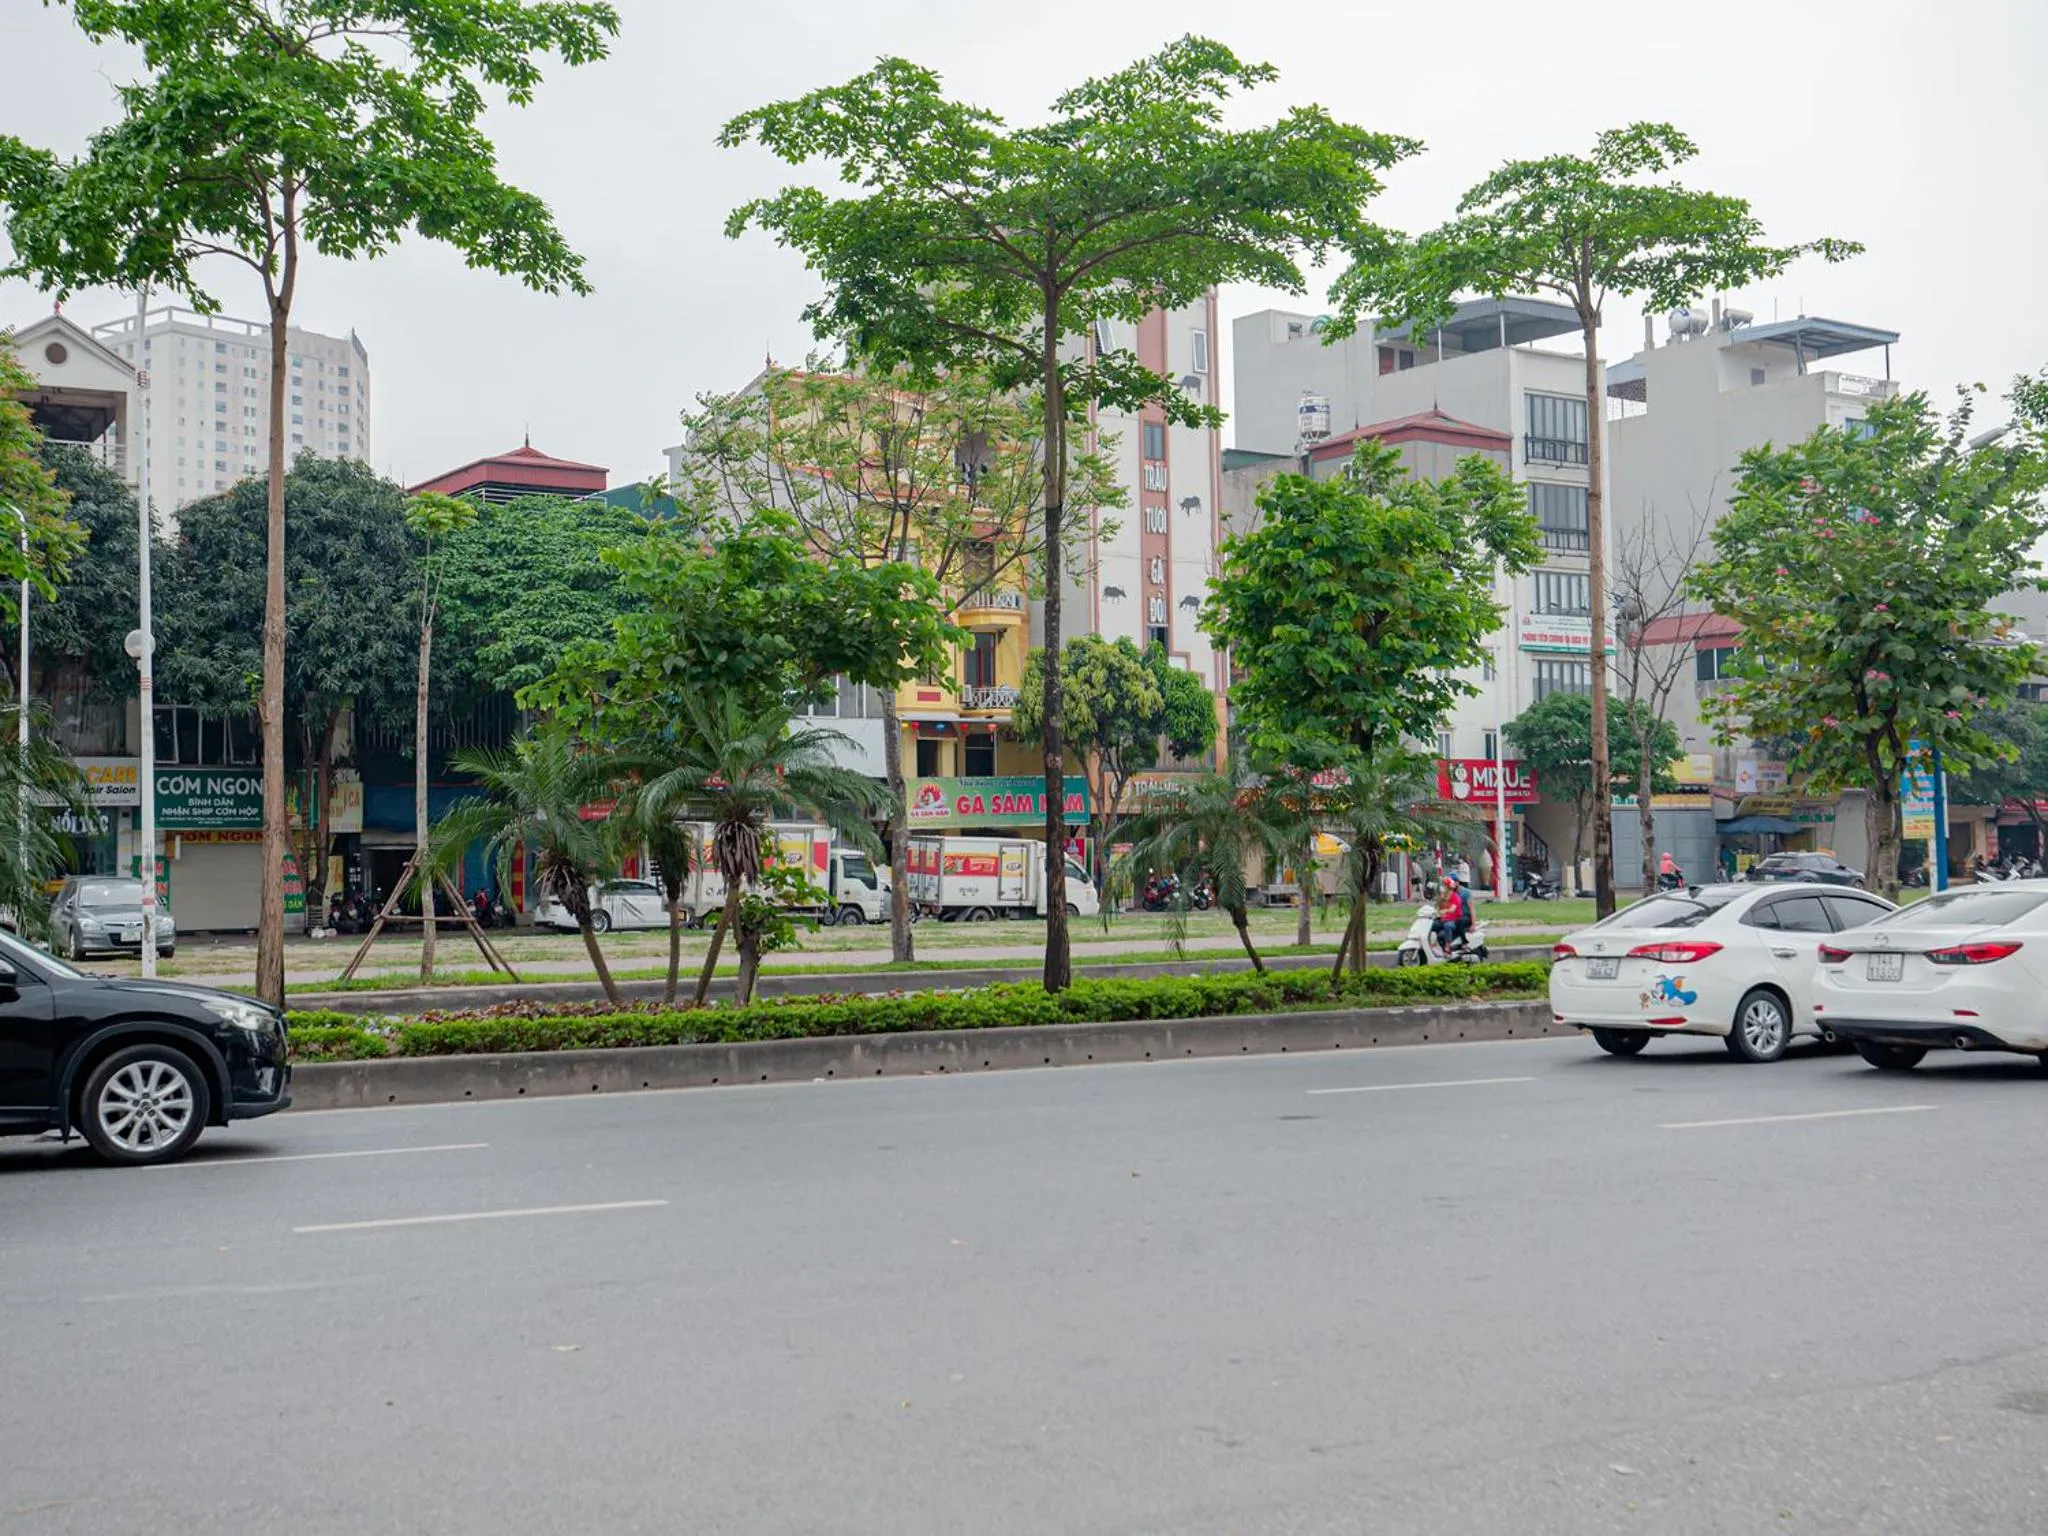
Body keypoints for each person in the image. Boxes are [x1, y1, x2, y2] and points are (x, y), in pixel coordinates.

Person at [1435, 875, 1466, 956]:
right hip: (1443, 918)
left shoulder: (1455, 897)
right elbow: (1437, 908)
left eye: (1444, 885)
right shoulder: (1442, 897)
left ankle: (1447, 946)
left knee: (1448, 926)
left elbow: (1453, 909)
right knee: (1432, 925)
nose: (1442, 887)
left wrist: (1444, 911)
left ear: (1448, 887)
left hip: (1453, 919)